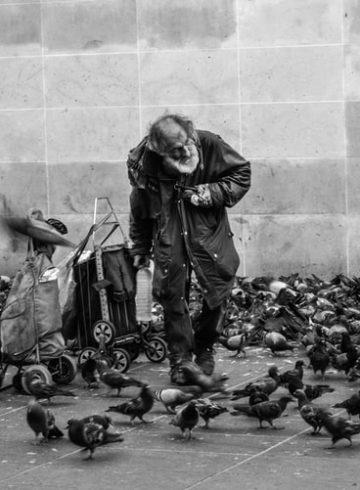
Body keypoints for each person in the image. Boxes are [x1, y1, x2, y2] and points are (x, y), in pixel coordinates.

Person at [126, 114, 251, 385]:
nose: (185, 152)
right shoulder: (143, 165)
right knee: (172, 295)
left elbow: (242, 173)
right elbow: (140, 207)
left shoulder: (208, 144)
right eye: (175, 151)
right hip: (167, 232)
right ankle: (180, 359)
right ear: (159, 152)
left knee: (217, 286)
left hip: (207, 231)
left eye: (186, 144)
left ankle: (205, 348)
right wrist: (139, 246)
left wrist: (211, 192)